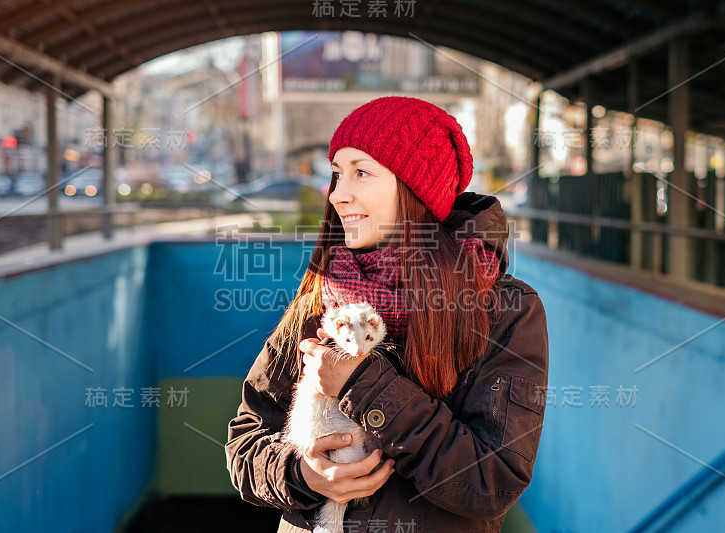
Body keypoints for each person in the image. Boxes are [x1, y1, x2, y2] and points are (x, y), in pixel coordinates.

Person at [225, 96, 549, 533]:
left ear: (417, 189)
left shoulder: (505, 310)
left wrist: (360, 386)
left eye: (361, 172)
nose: (338, 195)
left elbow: (490, 482)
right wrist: (304, 476)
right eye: (337, 174)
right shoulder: (323, 294)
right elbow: (245, 443)